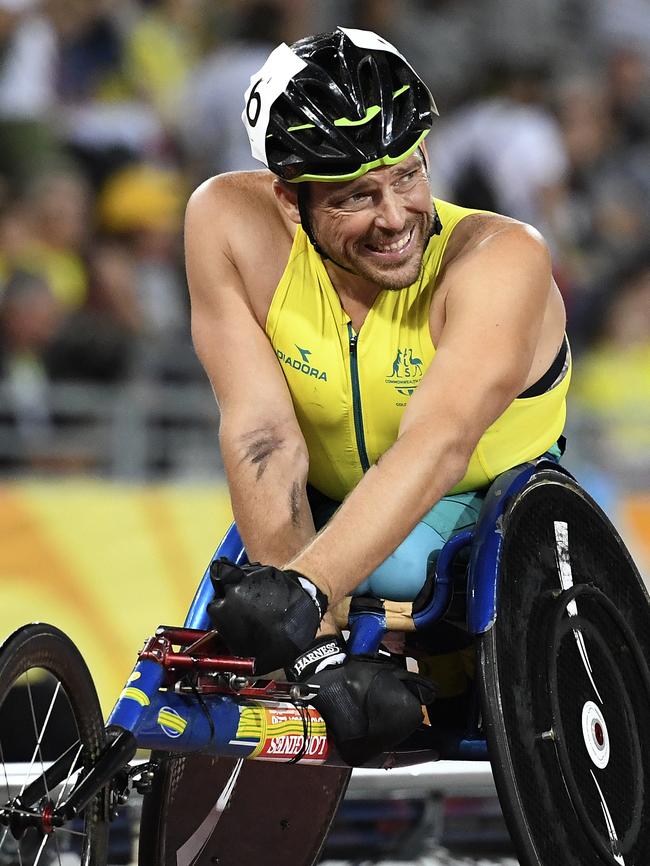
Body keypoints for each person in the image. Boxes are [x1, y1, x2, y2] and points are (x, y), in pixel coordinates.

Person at [184, 27, 571, 765]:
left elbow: (438, 443)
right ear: (289, 200)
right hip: (320, 513)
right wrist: (315, 656)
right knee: (240, 610)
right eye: (357, 195)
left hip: (476, 507)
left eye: (407, 175)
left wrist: (307, 589)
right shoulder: (228, 223)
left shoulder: (501, 258)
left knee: (376, 573)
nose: (394, 217)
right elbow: (262, 434)